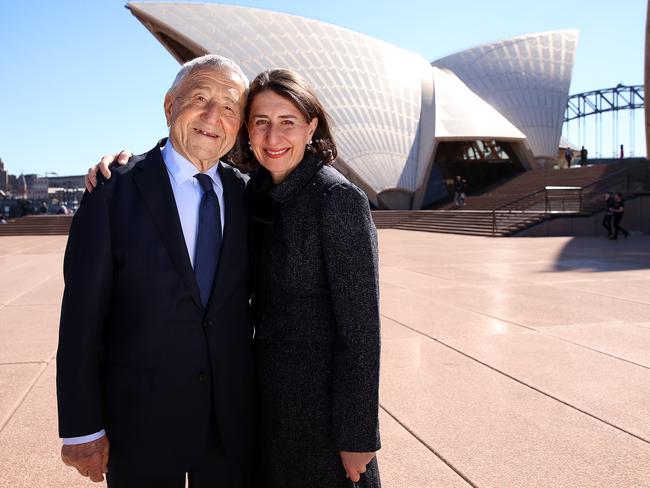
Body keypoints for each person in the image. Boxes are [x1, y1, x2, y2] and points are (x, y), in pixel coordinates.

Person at [86, 68, 382, 488]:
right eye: (261, 122)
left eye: (288, 123)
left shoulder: (336, 199)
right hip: (258, 415)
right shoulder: (253, 191)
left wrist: (357, 433)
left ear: (311, 126)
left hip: (318, 418)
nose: (273, 137)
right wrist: (122, 167)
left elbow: (362, 330)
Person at [57, 55, 255, 488]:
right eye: (199, 98)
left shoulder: (249, 197)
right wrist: (81, 428)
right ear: (169, 106)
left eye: (228, 106)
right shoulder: (114, 190)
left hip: (230, 427)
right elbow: (80, 320)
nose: (212, 116)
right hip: (139, 424)